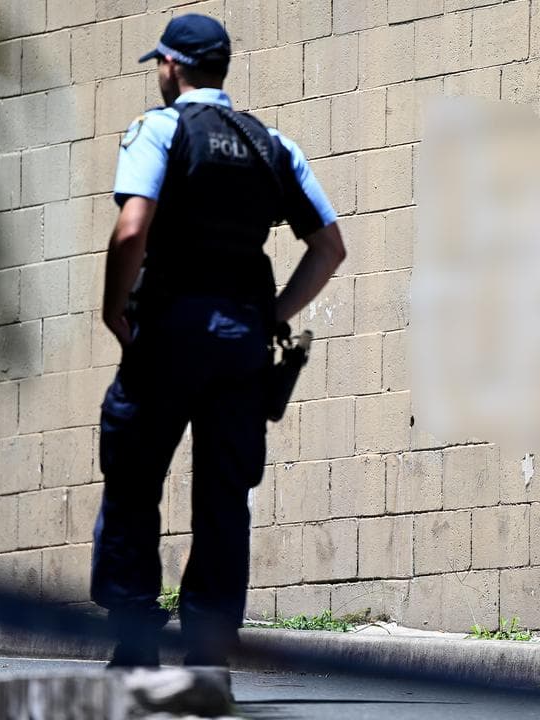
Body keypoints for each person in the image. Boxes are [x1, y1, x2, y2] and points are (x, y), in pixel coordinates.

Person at [90, 13, 345, 670]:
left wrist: (115, 309)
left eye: (160, 64)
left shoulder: (161, 128)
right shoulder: (271, 146)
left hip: (170, 329)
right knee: (225, 494)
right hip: (240, 341)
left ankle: (136, 643)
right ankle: (208, 651)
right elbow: (328, 247)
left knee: (134, 476)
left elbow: (131, 229)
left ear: (172, 66)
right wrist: (273, 316)